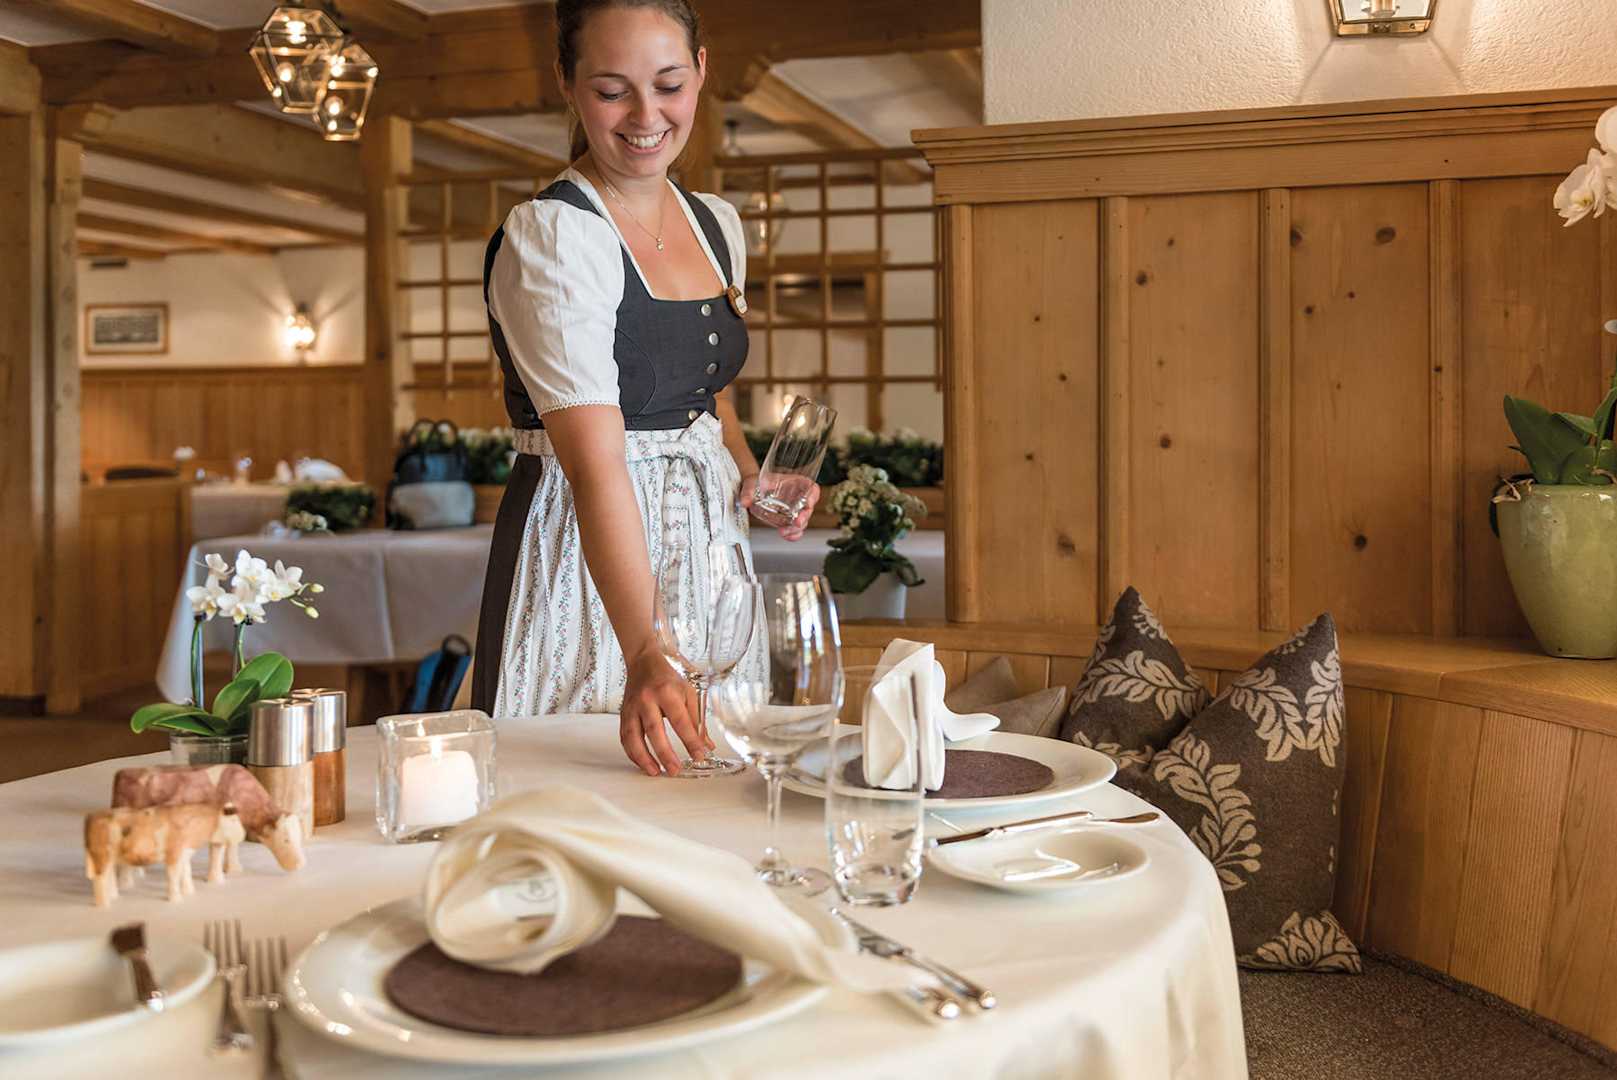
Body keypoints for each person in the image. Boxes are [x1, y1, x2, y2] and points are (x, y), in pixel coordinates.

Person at [472, 0, 817, 777]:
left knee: (716, 770)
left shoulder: (715, 224)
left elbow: (708, 397)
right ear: (566, 82)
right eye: (611, 90)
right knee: (583, 780)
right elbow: (595, 465)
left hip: (707, 541)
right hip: (588, 545)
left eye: (668, 85)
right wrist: (645, 647)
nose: (645, 116)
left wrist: (750, 473)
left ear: (701, 70)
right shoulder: (557, 236)